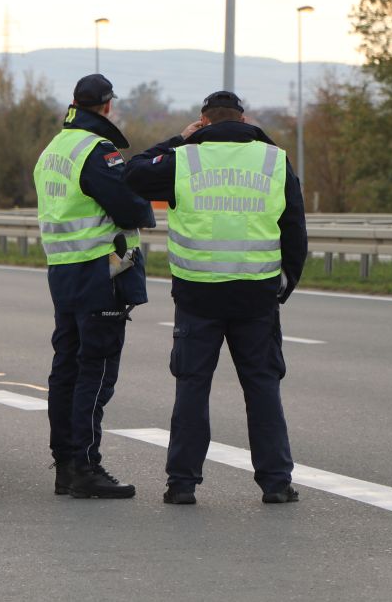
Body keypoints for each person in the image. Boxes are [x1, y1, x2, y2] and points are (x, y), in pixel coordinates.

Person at [122, 90, 308, 505]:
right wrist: (285, 283)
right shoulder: (273, 159)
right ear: (244, 120)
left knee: (192, 388)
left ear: (203, 122)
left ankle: (182, 484)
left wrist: (179, 138)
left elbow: (132, 173)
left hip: (197, 295)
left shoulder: (183, 159)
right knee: (262, 387)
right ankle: (276, 483)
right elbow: (294, 226)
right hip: (256, 294)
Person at [33, 74, 156, 499]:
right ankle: (86, 466)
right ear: (107, 106)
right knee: (96, 370)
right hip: (100, 270)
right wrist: (144, 207)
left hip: (63, 271)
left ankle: (66, 467)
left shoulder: (53, 149)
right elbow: (130, 206)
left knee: (66, 368)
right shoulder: (97, 151)